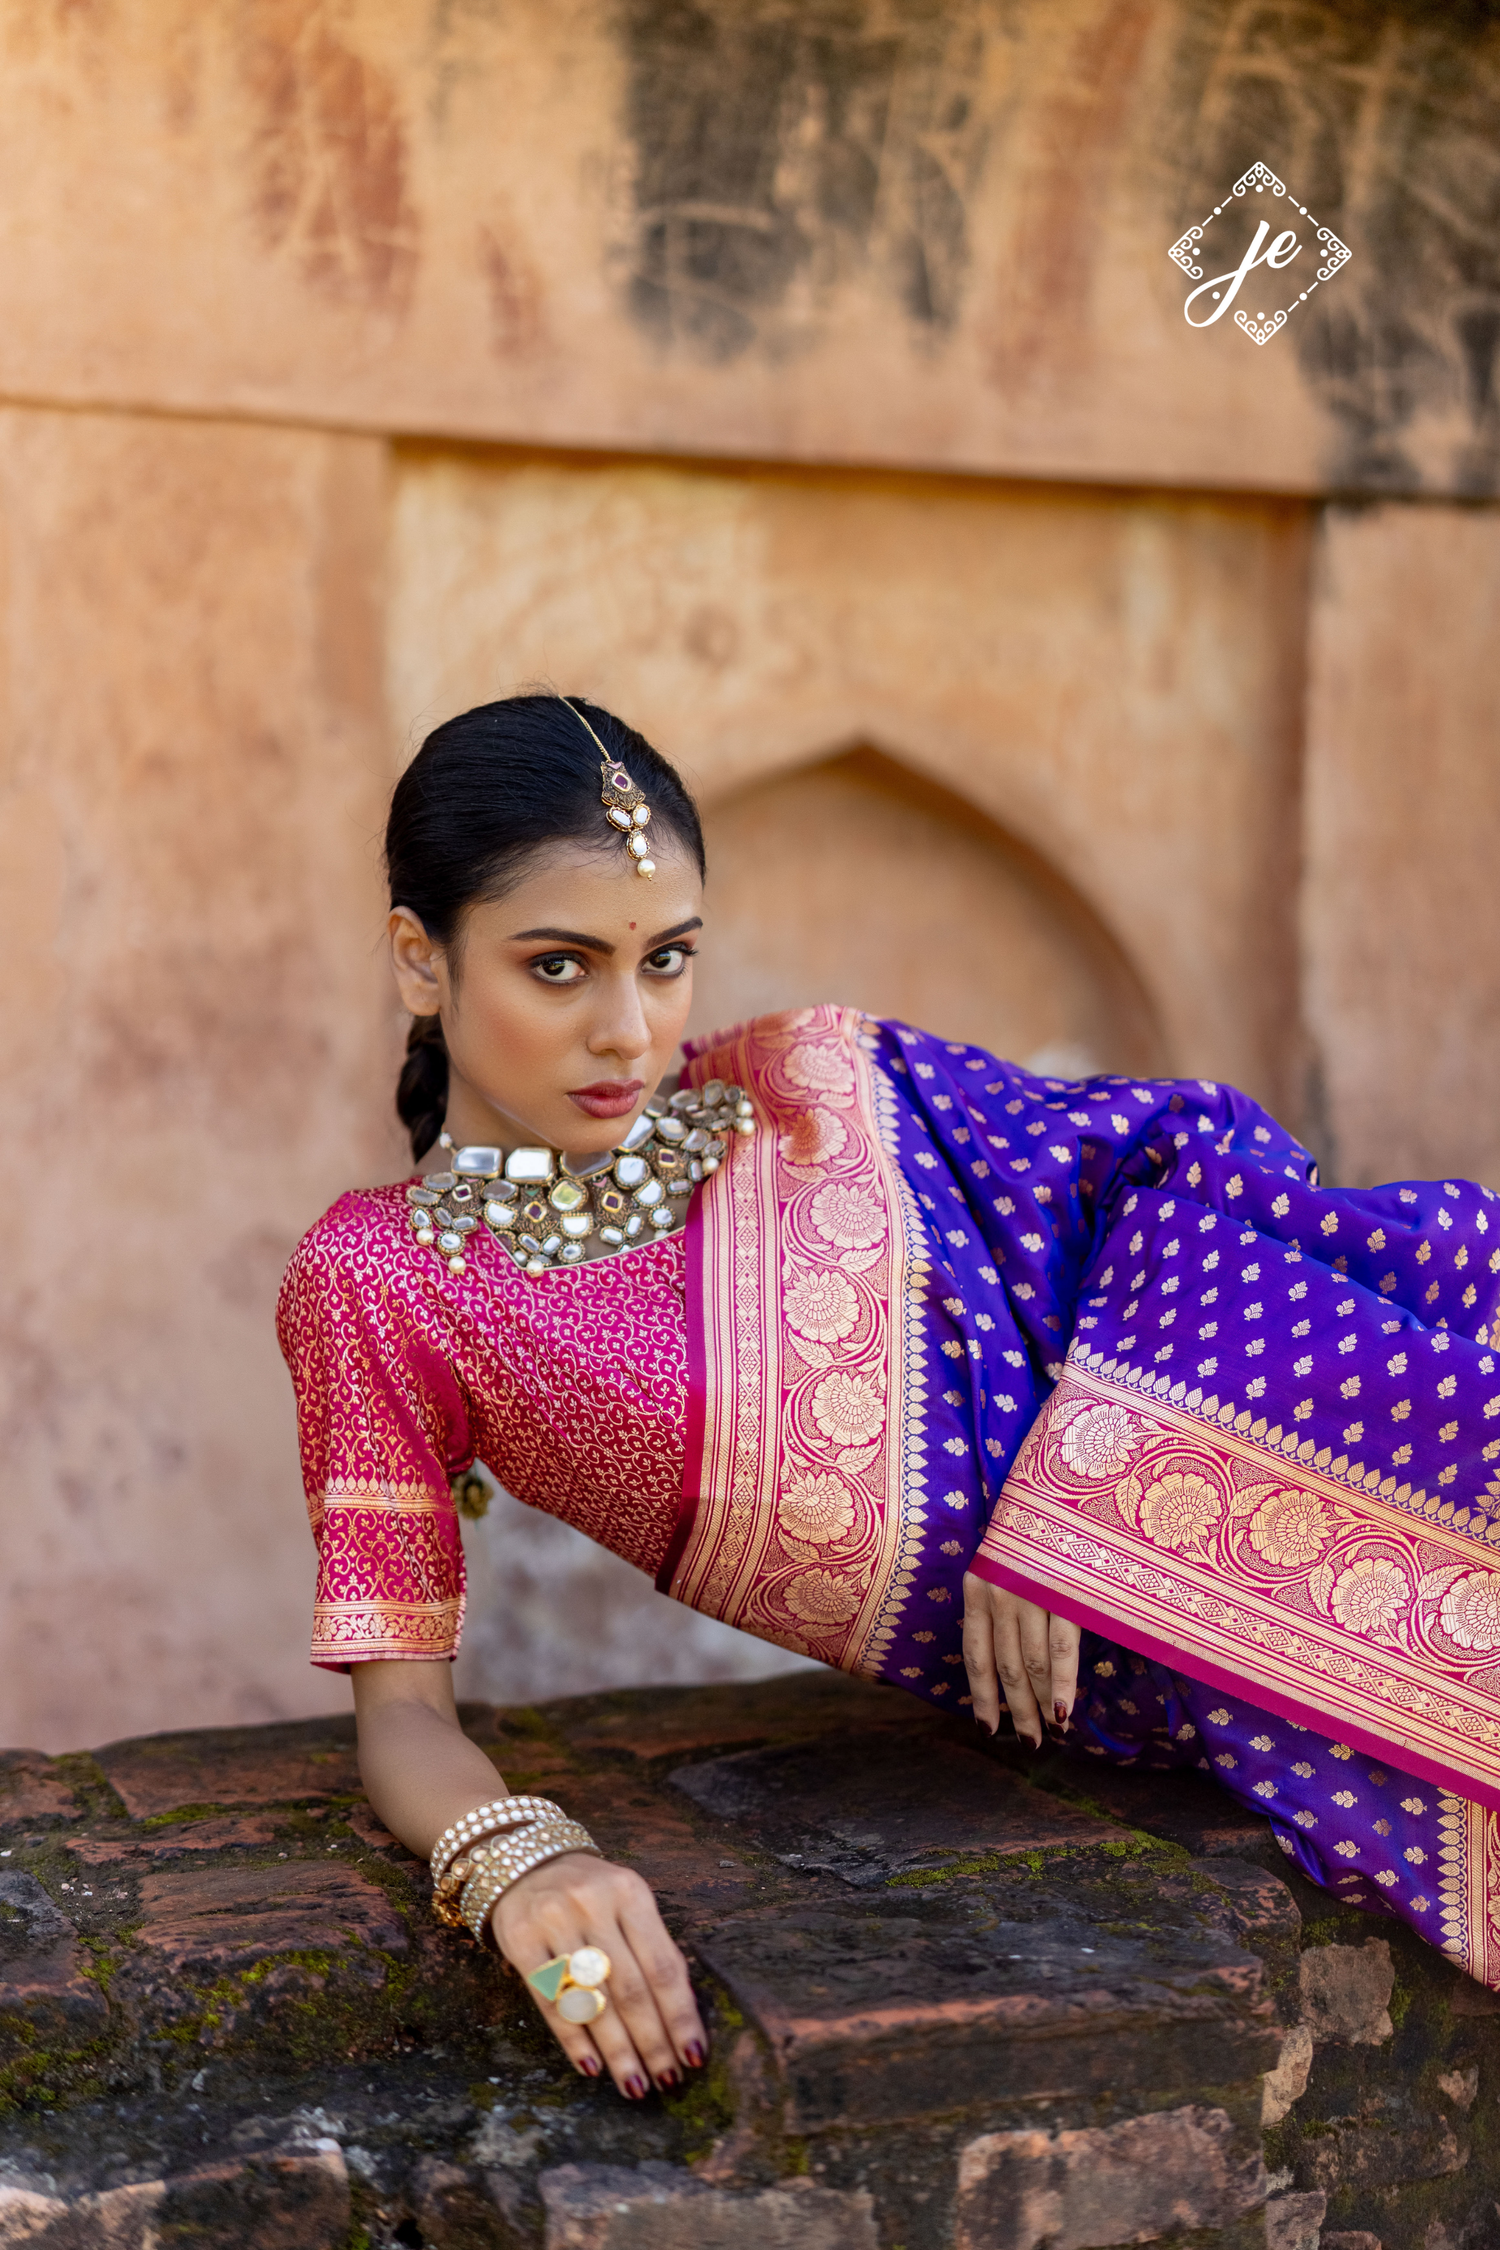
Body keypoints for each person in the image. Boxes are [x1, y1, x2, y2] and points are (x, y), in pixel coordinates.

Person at [278, 693, 1500, 2101]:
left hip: (1356, 1415)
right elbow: (403, 1714)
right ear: (419, 958)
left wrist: (1073, 1486)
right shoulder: (382, 1280)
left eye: (666, 959)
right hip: (1216, 1694)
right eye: (560, 967)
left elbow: (1190, 1152)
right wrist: (525, 1868)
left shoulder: (814, 1082)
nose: (629, 1030)